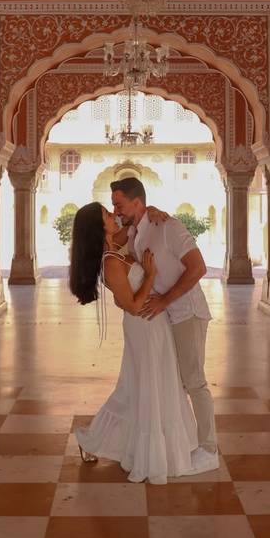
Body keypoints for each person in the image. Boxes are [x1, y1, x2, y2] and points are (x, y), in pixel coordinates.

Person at [69, 202, 197, 484]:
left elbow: (134, 223)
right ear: (98, 228)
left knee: (137, 388)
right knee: (142, 386)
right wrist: (150, 276)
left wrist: (152, 210)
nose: (114, 215)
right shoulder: (112, 261)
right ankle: (95, 440)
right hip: (144, 325)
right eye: (106, 215)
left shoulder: (117, 244)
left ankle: (93, 440)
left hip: (155, 325)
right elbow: (134, 306)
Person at [111, 177, 219, 473]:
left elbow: (198, 268)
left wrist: (164, 300)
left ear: (137, 202)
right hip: (166, 318)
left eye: (119, 204)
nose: (115, 209)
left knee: (194, 381)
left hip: (187, 313)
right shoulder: (134, 235)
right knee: (176, 382)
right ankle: (185, 444)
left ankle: (209, 449)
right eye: (113, 204)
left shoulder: (169, 227)